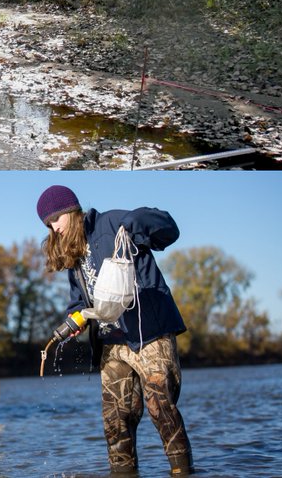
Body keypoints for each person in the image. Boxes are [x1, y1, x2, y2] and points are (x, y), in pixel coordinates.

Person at [37, 185, 194, 476]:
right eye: (48, 224)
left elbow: (169, 229)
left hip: (149, 334)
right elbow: (79, 301)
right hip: (111, 345)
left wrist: (137, 220)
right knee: (115, 421)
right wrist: (74, 319)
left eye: (55, 219)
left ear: (71, 210)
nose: (53, 228)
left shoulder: (112, 223)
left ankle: (182, 470)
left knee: (161, 407)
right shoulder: (73, 253)